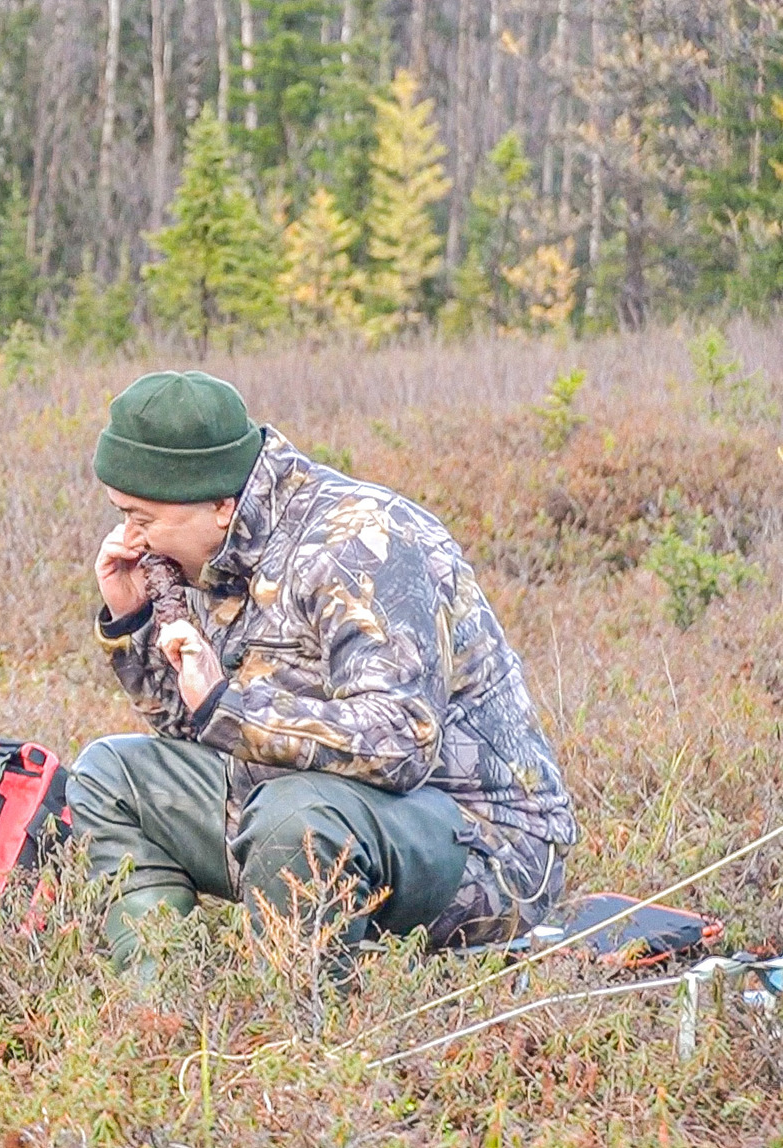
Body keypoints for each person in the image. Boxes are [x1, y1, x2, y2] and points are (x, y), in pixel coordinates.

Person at [72, 370, 576, 973]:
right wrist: (133, 624)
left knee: (297, 815)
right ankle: (159, 1003)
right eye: (122, 514)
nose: (128, 538)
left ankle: (297, 1041)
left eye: (142, 518)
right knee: (110, 774)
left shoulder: (362, 543)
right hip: (293, 814)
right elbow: (196, 730)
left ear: (220, 502)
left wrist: (228, 707)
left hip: (480, 849)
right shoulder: (215, 548)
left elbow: (399, 745)